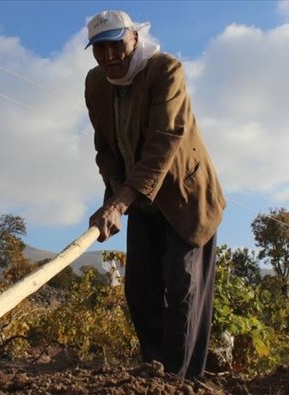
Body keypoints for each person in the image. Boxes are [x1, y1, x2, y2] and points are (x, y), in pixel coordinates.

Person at [84, 10, 226, 379]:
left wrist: (119, 202)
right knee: (140, 290)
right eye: (100, 50)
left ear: (134, 38)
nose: (110, 57)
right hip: (140, 200)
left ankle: (181, 380)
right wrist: (114, 197)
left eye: (117, 46)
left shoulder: (165, 70)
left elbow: (165, 141)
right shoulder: (97, 84)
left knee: (183, 288)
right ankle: (155, 373)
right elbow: (105, 148)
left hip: (185, 198)